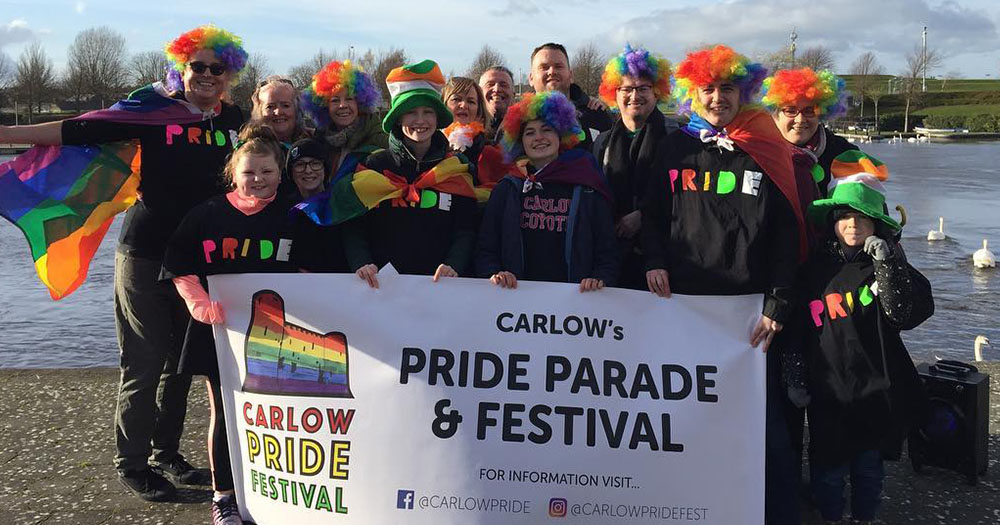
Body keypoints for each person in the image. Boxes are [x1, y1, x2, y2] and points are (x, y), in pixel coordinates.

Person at [0, 24, 247, 502]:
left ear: (229, 75)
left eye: (218, 69)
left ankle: (167, 455)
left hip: (196, 262)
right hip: (144, 254)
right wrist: (7, 131)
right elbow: (80, 128)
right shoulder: (152, 111)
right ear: (182, 67)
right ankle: (131, 463)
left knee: (181, 363)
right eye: (198, 66)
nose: (208, 75)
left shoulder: (233, 119)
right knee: (145, 360)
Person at [641, 44, 806, 524]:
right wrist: (654, 261)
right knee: (684, 415)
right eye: (708, 89)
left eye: (727, 89)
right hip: (684, 306)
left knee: (765, 424)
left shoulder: (767, 146)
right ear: (694, 94)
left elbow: (785, 233)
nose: (717, 98)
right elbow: (652, 214)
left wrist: (778, 302)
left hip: (748, 311)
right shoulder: (675, 146)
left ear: (743, 92)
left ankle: (775, 513)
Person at [161, 124, 295, 524]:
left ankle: (279, 492)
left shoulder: (294, 215)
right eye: (250, 172)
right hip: (219, 330)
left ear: (280, 173)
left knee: (278, 415)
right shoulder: (207, 214)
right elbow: (177, 261)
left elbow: (317, 271)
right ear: (233, 172)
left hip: (277, 333)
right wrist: (197, 303)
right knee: (226, 409)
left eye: (267, 172)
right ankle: (224, 495)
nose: (258, 180)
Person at [788, 157, 931, 524]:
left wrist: (888, 264)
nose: (853, 225)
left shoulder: (888, 264)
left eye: (863, 218)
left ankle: (865, 519)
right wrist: (795, 375)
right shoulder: (813, 271)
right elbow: (797, 329)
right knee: (828, 472)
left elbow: (904, 314)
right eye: (845, 217)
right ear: (832, 222)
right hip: (828, 392)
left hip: (875, 389)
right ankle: (831, 518)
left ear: (877, 225)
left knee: (869, 470)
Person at [341, 59, 477, 287]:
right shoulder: (374, 165)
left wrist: (455, 264)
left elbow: (466, 228)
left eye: (428, 112)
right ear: (398, 118)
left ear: (437, 118)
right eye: (411, 112)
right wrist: (361, 262)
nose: (420, 121)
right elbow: (353, 225)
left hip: (441, 288)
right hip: (379, 289)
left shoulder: (456, 168)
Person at [476, 91, 618, 291]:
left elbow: (607, 249)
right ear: (520, 141)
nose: (539, 137)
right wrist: (494, 273)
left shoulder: (586, 186)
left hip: (576, 301)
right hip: (516, 301)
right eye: (530, 132)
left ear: (561, 135)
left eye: (547, 130)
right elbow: (487, 247)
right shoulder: (507, 188)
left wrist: (600, 278)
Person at [593, 44, 677, 290]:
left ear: (657, 92)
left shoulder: (675, 137)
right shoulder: (603, 141)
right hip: (613, 254)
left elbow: (684, 196)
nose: (634, 95)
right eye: (627, 88)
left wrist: (643, 216)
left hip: (663, 257)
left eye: (643, 88)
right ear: (614, 93)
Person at [762, 68, 856, 197]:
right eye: (790, 110)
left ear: (822, 113)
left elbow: (867, 204)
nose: (800, 120)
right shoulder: (758, 154)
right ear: (774, 114)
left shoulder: (844, 153)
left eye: (809, 111)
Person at [300, 60, 387, 184]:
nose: (342, 105)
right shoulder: (319, 141)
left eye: (349, 99)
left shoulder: (379, 139)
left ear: (360, 103)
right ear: (324, 106)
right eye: (335, 100)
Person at [529, 42, 612, 149]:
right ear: (531, 78)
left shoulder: (596, 115)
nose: (552, 71)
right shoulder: (519, 122)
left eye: (558, 66)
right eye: (544, 67)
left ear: (571, 75)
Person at [285, 137, 350, 273]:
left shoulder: (340, 203)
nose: (308, 170)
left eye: (315, 163)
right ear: (291, 171)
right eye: (300, 164)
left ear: (325, 168)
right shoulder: (284, 209)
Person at [250, 75, 311, 197]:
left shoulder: (312, 143)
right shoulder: (250, 149)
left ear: (296, 110)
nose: (278, 112)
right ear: (259, 112)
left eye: (285, 105)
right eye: (270, 107)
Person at [479, 65, 515, 141]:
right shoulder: (465, 127)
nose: (497, 89)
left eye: (503, 85)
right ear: (479, 93)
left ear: (513, 94)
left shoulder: (524, 129)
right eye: (490, 84)